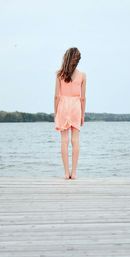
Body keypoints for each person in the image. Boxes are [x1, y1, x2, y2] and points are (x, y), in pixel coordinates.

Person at [54, 47, 86, 179]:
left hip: (63, 106)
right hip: (76, 107)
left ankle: (66, 173)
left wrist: (56, 113)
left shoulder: (59, 74)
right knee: (75, 140)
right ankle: (74, 173)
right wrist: (83, 114)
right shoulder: (83, 75)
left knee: (64, 140)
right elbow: (83, 98)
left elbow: (56, 96)